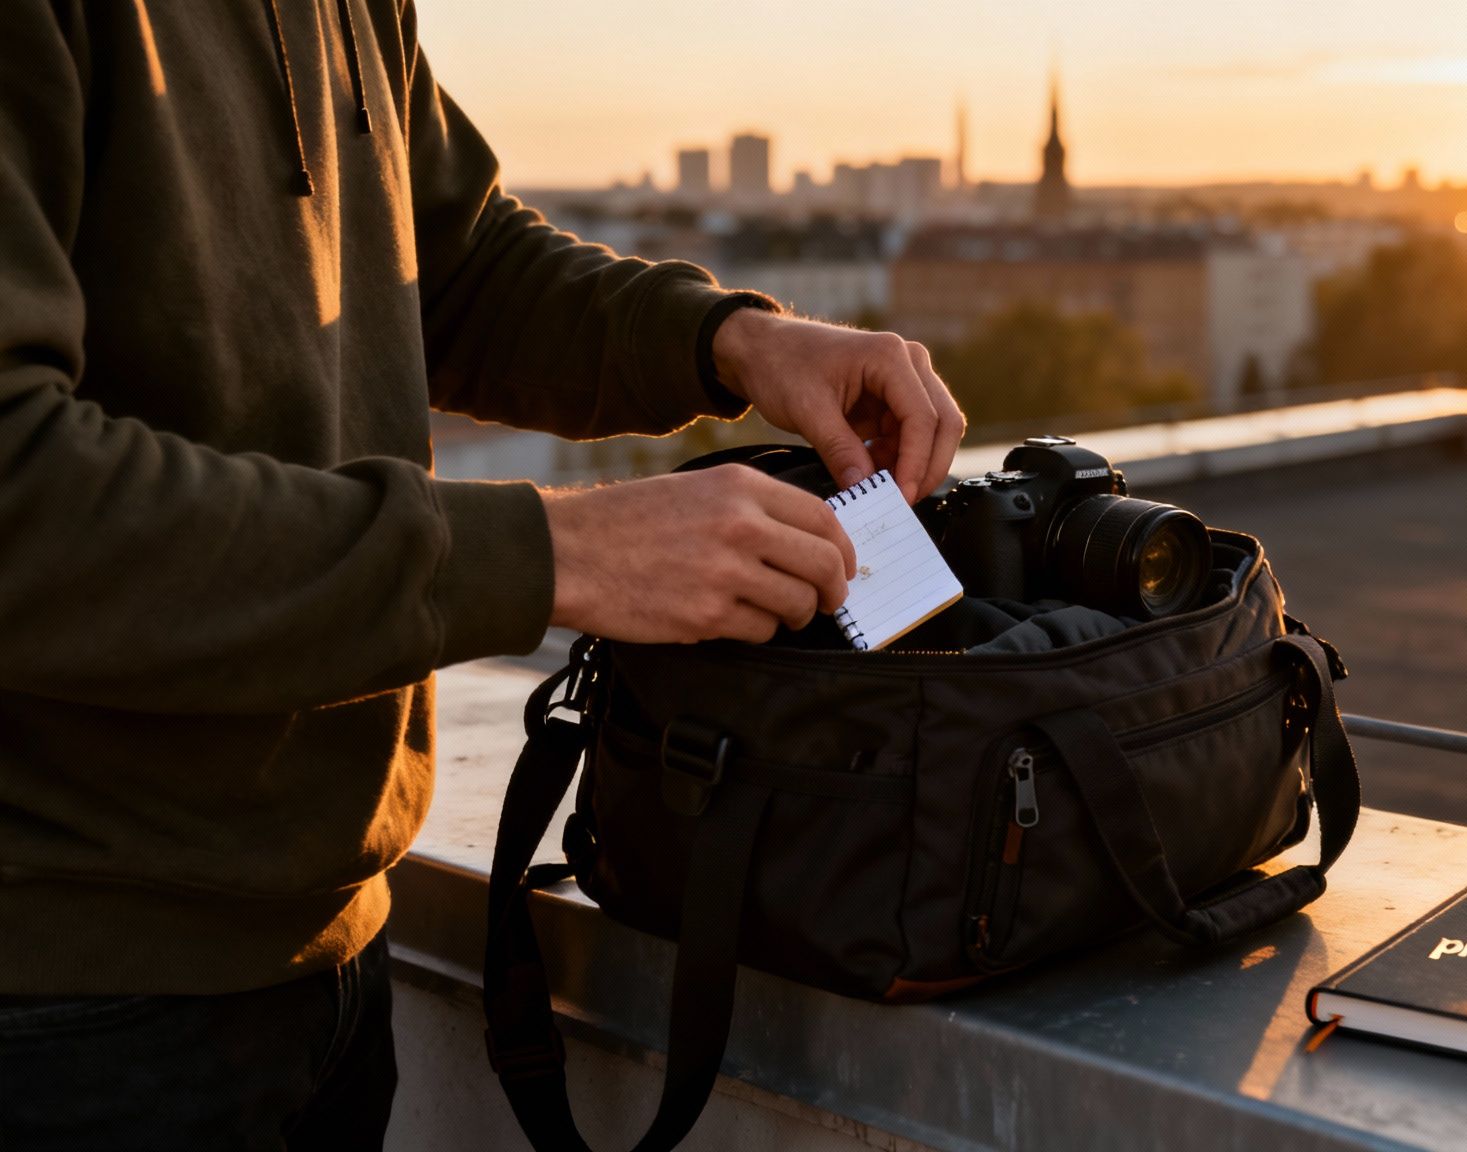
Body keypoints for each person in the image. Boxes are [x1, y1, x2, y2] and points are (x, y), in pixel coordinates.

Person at [0, 3, 965, 1148]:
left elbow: (449, 268)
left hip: (323, 941)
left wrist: (724, 340)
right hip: (58, 1000)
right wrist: (556, 553)